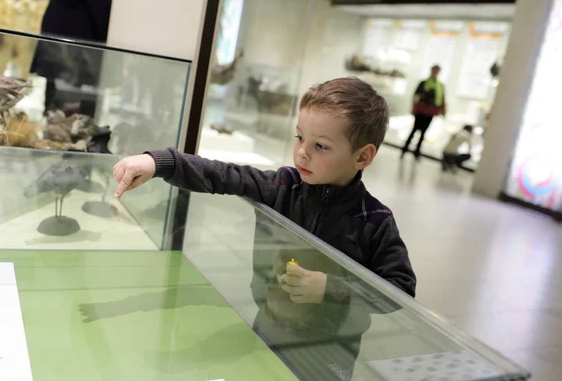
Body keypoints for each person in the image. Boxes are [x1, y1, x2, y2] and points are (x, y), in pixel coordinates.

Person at [113, 77, 416, 380]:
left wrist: (330, 287)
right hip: (267, 329)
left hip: (328, 351)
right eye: (299, 138)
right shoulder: (282, 185)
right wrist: (159, 162)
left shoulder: (375, 220)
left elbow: (400, 289)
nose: (302, 153)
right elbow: (224, 174)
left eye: (320, 146)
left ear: (362, 156)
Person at [401, 64, 447, 160]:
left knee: (423, 133)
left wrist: (443, 111)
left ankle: (417, 153)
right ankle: (404, 150)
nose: (434, 73)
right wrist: (413, 107)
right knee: (414, 130)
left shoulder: (440, 86)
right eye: (433, 71)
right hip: (421, 110)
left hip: (431, 112)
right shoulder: (423, 83)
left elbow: (442, 99)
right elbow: (416, 95)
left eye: (436, 71)